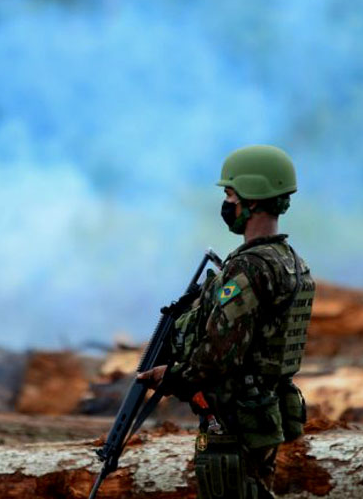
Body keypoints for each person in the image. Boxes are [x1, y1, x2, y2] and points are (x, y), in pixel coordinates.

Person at [138, 144, 315, 499]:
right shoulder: (290, 261)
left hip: (236, 417)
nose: (226, 204)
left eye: (230, 195)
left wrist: (173, 377)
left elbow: (220, 354)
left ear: (252, 198)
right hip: (262, 410)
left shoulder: (249, 268)